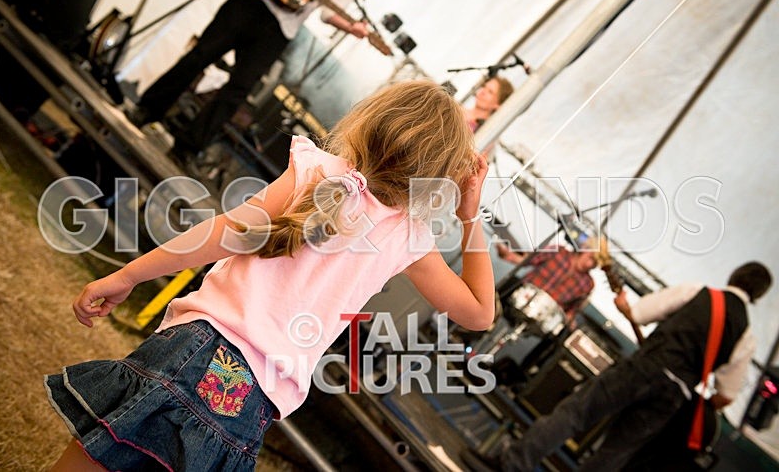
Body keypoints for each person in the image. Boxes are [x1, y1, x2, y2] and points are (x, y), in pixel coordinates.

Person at [45, 80, 496, 471]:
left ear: (370, 120)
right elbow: (479, 313)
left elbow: (223, 233)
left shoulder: (315, 170)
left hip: (197, 345)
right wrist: (469, 216)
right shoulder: (410, 239)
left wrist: (128, 275)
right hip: (254, 400)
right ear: (439, 171)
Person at [462, 261, 772, 472]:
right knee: (615, 454)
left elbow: (638, 314)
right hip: (674, 395)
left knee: (574, 415)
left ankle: (509, 466)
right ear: (757, 296)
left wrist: (626, 307)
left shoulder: (697, 292)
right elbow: (727, 395)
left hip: (644, 368)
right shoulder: (747, 337)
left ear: (735, 276)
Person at [130, 0, 376, 153]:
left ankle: (188, 147)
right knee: (200, 56)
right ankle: (147, 110)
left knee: (239, 88)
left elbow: (326, 13)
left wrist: (352, 27)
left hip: (281, 29)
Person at [496, 242, 597, 324]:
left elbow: (572, 311)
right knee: (506, 286)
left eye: (595, 263)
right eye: (590, 258)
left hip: (541, 317)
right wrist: (508, 255)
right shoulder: (559, 251)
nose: (589, 264)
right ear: (585, 249)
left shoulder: (588, 284)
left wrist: (569, 322)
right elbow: (527, 260)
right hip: (519, 294)